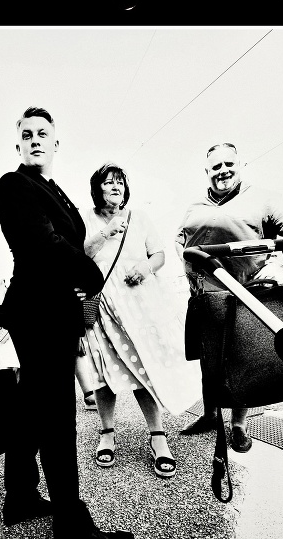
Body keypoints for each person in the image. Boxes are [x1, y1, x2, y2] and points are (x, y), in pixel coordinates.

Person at [0, 108, 133, 539]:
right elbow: (44, 243)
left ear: (57, 143)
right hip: (38, 310)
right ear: (18, 143)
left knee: (33, 408)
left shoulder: (52, 189)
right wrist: (89, 275)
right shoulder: (14, 183)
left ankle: (20, 496)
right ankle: (72, 525)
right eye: (27, 134)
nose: (35, 139)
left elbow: (68, 238)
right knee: (55, 413)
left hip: (49, 308)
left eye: (43, 133)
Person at [175, 141, 283, 452]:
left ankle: (239, 425)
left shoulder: (263, 197)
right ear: (207, 172)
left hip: (244, 294)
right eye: (216, 167)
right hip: (204, 296)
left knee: (241, 361)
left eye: (229, 165)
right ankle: (210, 415)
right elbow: (182, 238)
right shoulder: (196, 205)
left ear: (240, 166)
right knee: (208, 360)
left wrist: (282, 260)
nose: (223, 171)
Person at [82, 163, 198, 479]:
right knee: (104, 373)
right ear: (97, 188)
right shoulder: (86, 218)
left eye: (120, 182)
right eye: (108, 182)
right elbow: (79, 256)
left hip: (138, 305)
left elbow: (159, 255)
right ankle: (107, 432)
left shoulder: (140, 218)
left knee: (143, 368)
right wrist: (104, 233)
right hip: (102, 305)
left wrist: (146, 268)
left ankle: (157, 436)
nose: (115, 187)